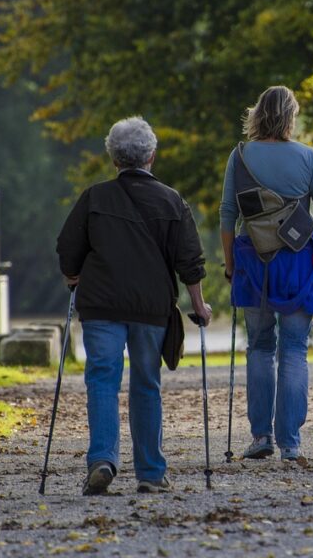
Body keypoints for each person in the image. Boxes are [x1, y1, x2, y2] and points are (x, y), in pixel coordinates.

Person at [57, 116, 211, 495]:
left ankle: (103, 460)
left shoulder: (94, 198)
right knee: (146, 384)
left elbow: (67, 247)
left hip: (101, 306)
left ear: (113, 158)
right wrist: (200, 306)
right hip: (150, 308)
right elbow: (189, 260)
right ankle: (151, 473)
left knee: (102, 381)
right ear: (151, 157)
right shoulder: (172, 200)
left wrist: (72, 276)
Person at [219, 86, 313, 462]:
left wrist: (230, 265)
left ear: (257, 114)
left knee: (260, 346)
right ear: (290, 117)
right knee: (295, 350)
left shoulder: (240, 157)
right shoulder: (308, 157)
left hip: (253, 260)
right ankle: (291, 443)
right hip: (298, 261)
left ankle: (260, 436)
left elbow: (226, 215)